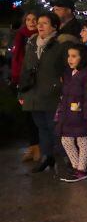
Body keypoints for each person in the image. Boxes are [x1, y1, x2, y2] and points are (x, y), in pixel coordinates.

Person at [18, 12, 68, 173]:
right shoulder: (32, 43)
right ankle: (48, 157)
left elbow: (66, 68)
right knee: (41, 127)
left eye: (44, 23)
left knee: (54, 127)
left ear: (54, 26)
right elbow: (25, 70)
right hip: (33, 94)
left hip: (53, 94)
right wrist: (21, 93)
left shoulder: (61, 43)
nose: (39, 26)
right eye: (39, 23)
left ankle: (61, 158)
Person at [55, 43, 87, 182]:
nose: (70, 59)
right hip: (68, 115)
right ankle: (76, 166)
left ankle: (81, 170)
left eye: (74, 56)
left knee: (82, 141)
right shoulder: (69, 73)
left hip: (80, 115)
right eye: (68, 56)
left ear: (82, 58)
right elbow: (65, 96)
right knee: (66, 140)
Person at [11, 11, 39, 162]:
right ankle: (33, 147)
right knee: (27, 115)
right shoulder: (20, 36)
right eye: (28, 19)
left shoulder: (41, 36)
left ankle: (40, 148)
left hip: (36, 80)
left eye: (34, 19)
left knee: (37, 115)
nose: (32, 22)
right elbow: (16, 58)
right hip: (22, 80)